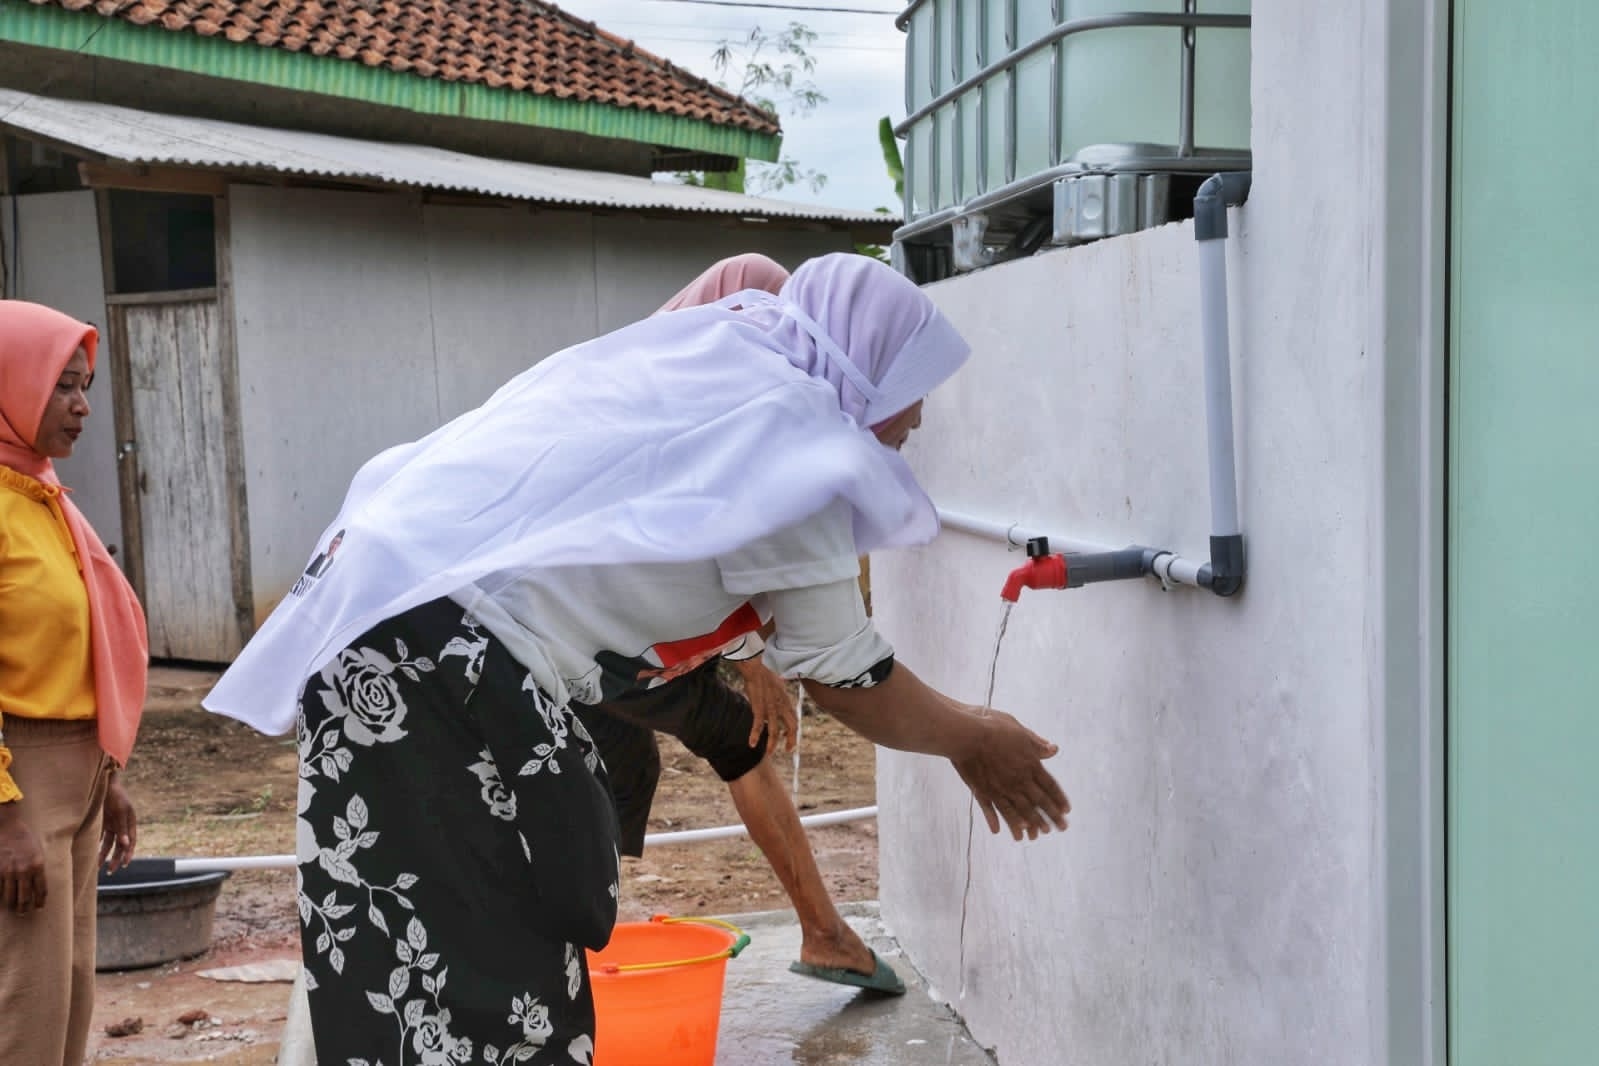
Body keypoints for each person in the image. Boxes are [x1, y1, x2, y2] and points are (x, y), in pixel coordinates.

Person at [204, 253, 1071, 1064]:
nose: (918, 416)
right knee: (478, 959)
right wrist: (973, 735)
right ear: (867, 363)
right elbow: (846, 671)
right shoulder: (791, 423)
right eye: (913, 390)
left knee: (421, 943)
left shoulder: (716, 370)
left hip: (389, 626)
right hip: (440, 665)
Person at [577, 252, 903, 994]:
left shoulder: (647, 383)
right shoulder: (748, 396)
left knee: (609, 768)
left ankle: (579, 953)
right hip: (583, 629)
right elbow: (721, 542)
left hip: (595, 633)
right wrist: (756, 656)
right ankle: (822, 933)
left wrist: (751, 658)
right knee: (713, 742)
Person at [0, 300, 149, 1066]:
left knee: (69, 996)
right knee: (23, 1009)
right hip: (17, 786)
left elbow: (78, 648)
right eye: (61, 385)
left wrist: (108, 773)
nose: (83, 405)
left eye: (84, 385)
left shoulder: (45, 498)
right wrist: (4, 817)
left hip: (78, 779)